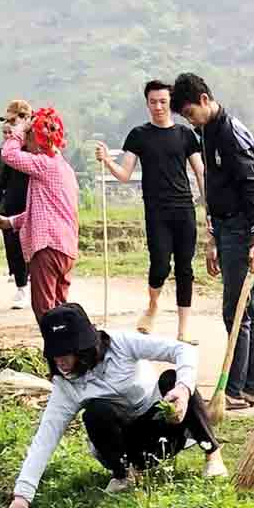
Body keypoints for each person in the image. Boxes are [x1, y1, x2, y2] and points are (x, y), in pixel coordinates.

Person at [4, 302, 225, 508]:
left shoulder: (121, 344)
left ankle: (212, 454)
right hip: (127, 446)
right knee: (97, 411)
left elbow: (183, 350)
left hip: (165, 427)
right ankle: (124, 475)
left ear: (83, 347)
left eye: (66, 353)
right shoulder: (66, 386)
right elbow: (45, 439)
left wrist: (182, 389)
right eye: (54, 354)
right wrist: (22, 499)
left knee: (173, 379)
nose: (60, 361)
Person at [173, 71, 254, 409]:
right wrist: (211, 237)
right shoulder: (207, 132)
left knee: (236, 310)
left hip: (241, 228)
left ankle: (236, 389)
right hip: (225, 227)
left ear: (204, 100)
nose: (189, 120)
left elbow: (252, 186)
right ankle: (250, 386)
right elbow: (214, 188)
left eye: (189, 113)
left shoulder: (231, 135)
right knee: (247, 310)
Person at [95, 80, 204, 339]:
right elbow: (124, 174)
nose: (158, 106)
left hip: (184, 208)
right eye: (153, 102)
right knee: (159, 264)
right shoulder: (139, 135)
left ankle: (183, 329)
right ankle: (153, 306)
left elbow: (200, 171)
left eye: (163, 101)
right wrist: (108, 161)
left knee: (185, 268)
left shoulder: (186, 134)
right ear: (147, 104)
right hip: (156, 211)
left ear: (171, 103)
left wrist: (207, 204)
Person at [0, 105, 80, 320]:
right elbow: (43, 209)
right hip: (65, 247)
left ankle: (54, 353)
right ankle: (69, 352)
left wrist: (19, 131)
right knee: (61, 310)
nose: (25, 141)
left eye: (29, 136)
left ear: (37, 138)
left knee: (45, 312)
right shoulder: (63, 168)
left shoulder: (44, 164)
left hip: (48, 247)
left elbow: (9, 154)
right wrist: (10, 223)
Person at [0, 98, 33, 313]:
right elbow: (0, 182)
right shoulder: (0, 154)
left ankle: (33, 281)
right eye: (6, 124)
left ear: (26, 119)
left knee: (34, 247)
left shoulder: (34, 149)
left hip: (33, 202)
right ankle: (21, 286)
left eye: (13, 120)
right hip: (11, 203)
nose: (9, 127)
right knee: (13, 247)